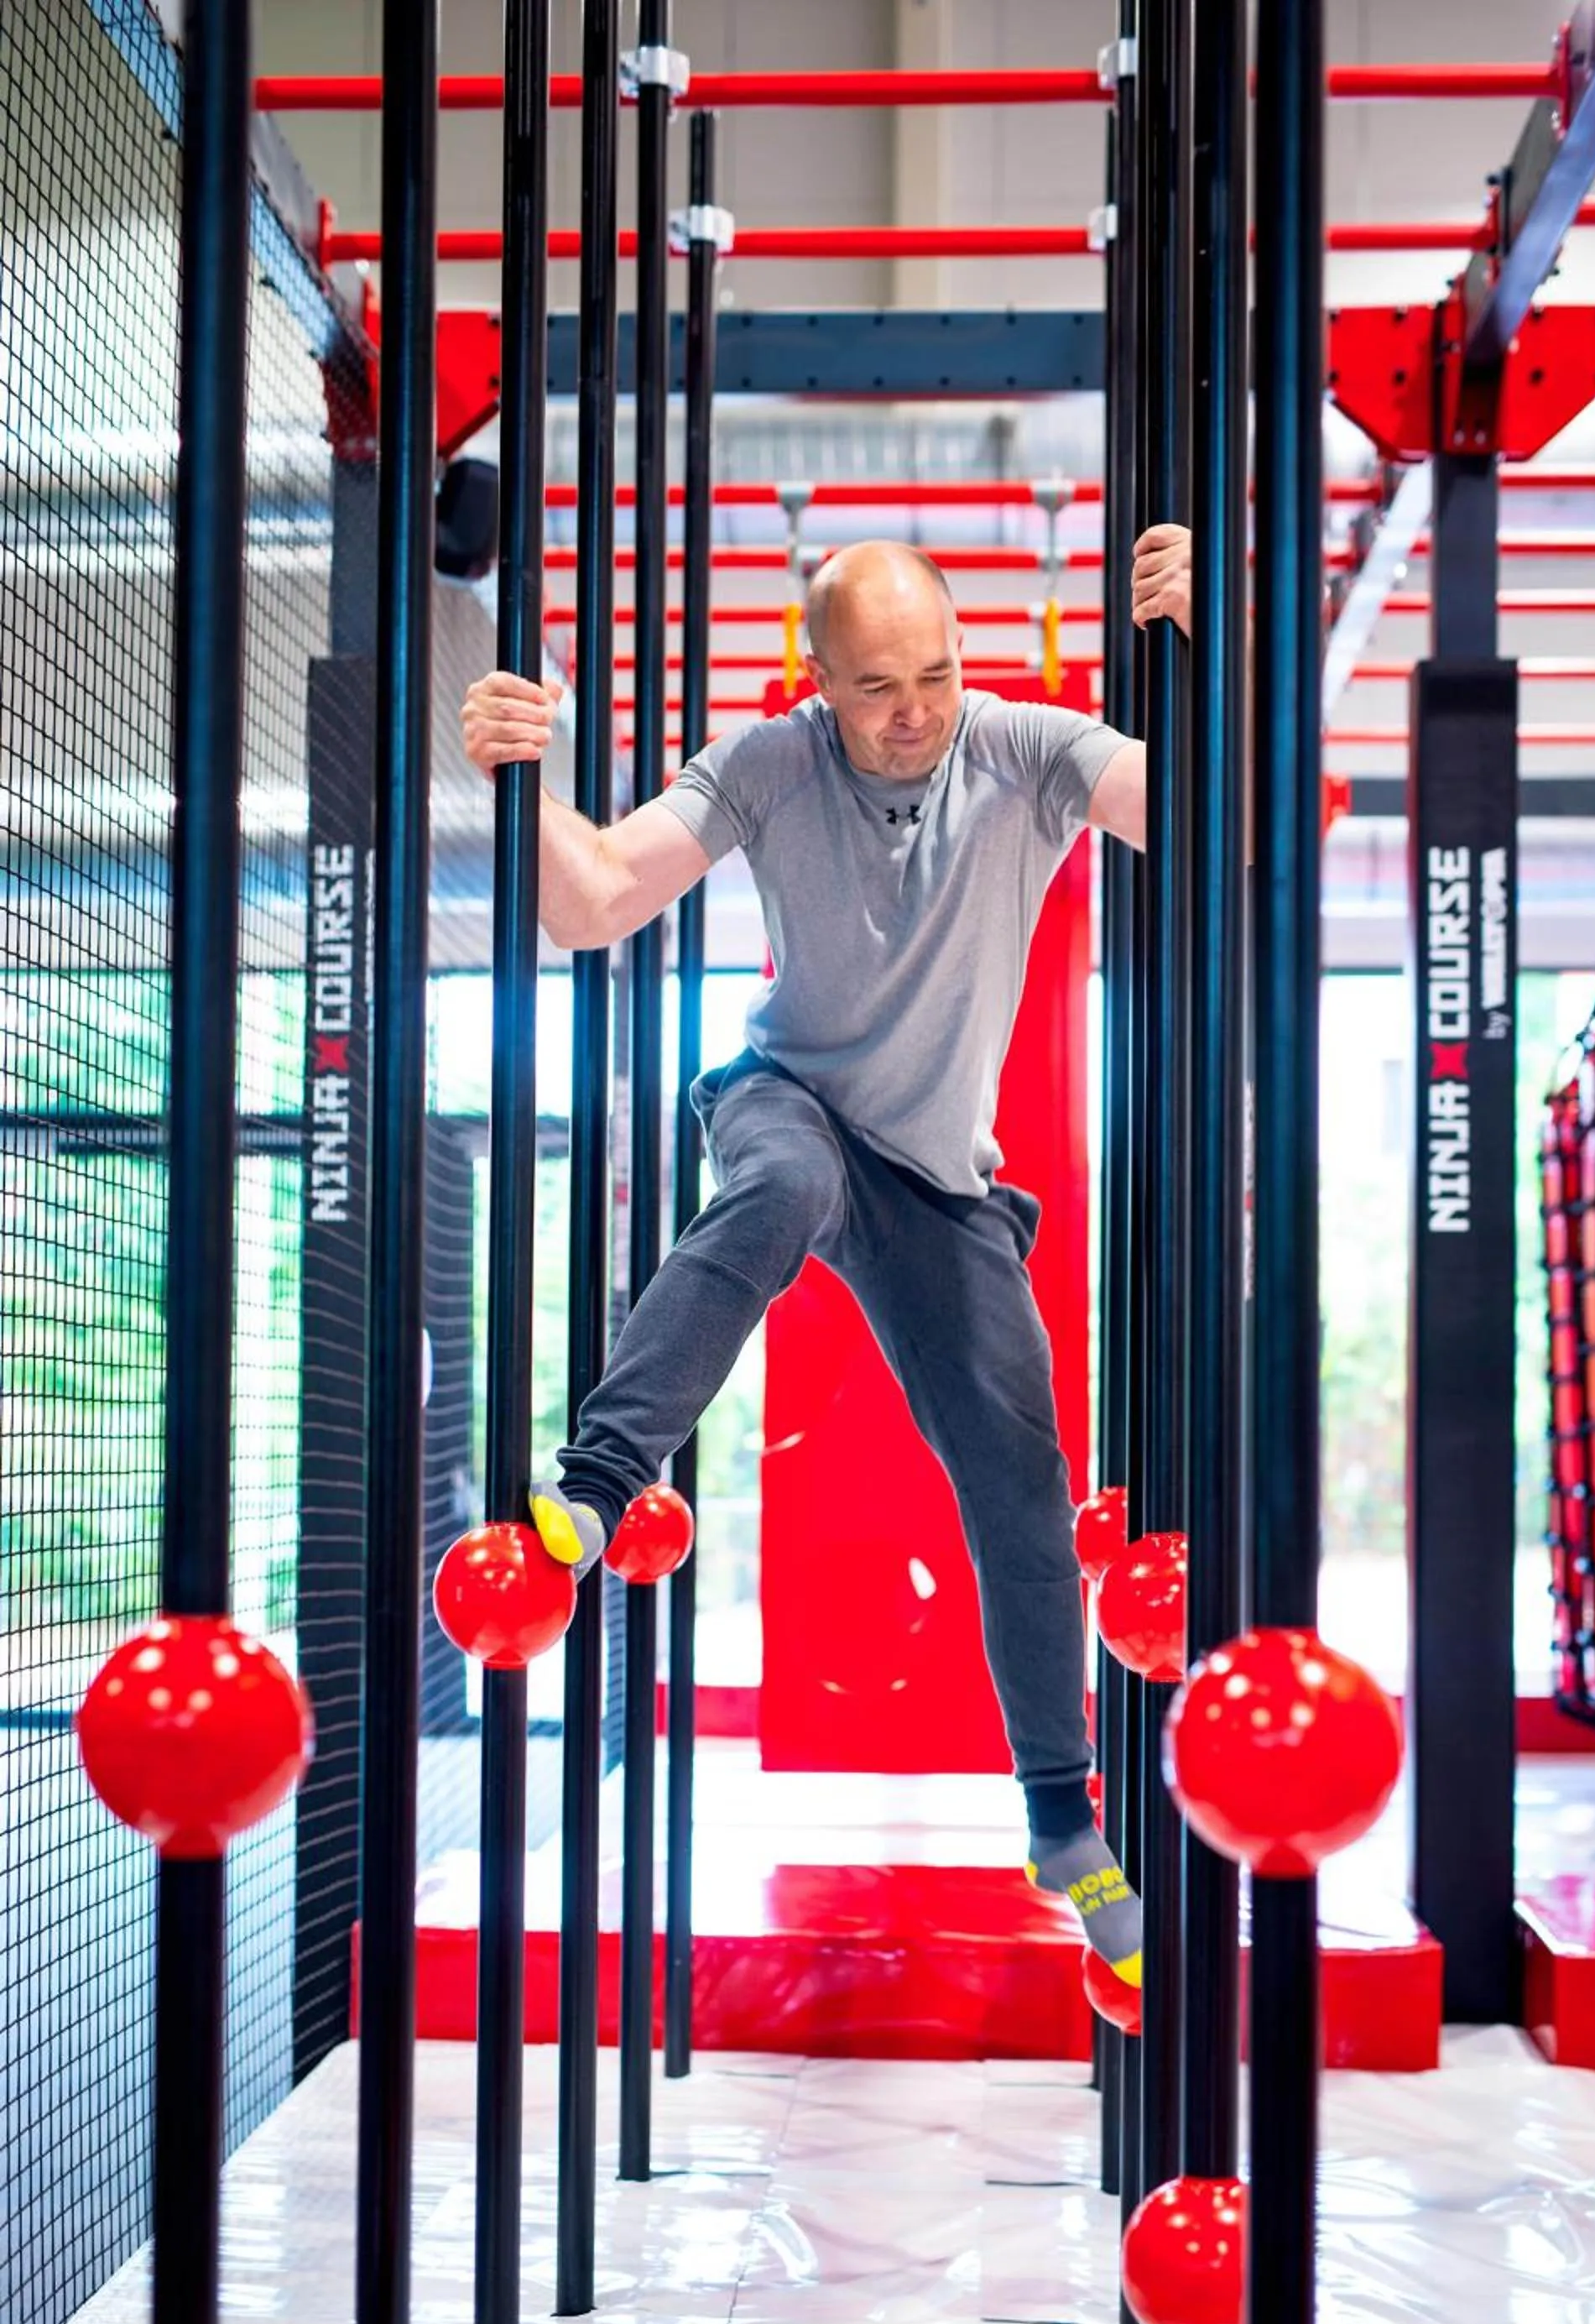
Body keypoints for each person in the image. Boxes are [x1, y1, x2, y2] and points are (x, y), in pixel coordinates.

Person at [460, 521, 1193, 1995]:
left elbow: (1208, 821)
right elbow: (592, 899)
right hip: (787, 1099)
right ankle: (596, 1484)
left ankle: (1061, 1821)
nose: (913, 712)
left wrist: (1204, 653)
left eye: (935, 675)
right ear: (817, 681)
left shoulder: (1029, 749)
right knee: (778, 1186)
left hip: (936, 1177)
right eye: (875, 687)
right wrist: (518, 774)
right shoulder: (770, 763)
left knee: (1021, 1483)